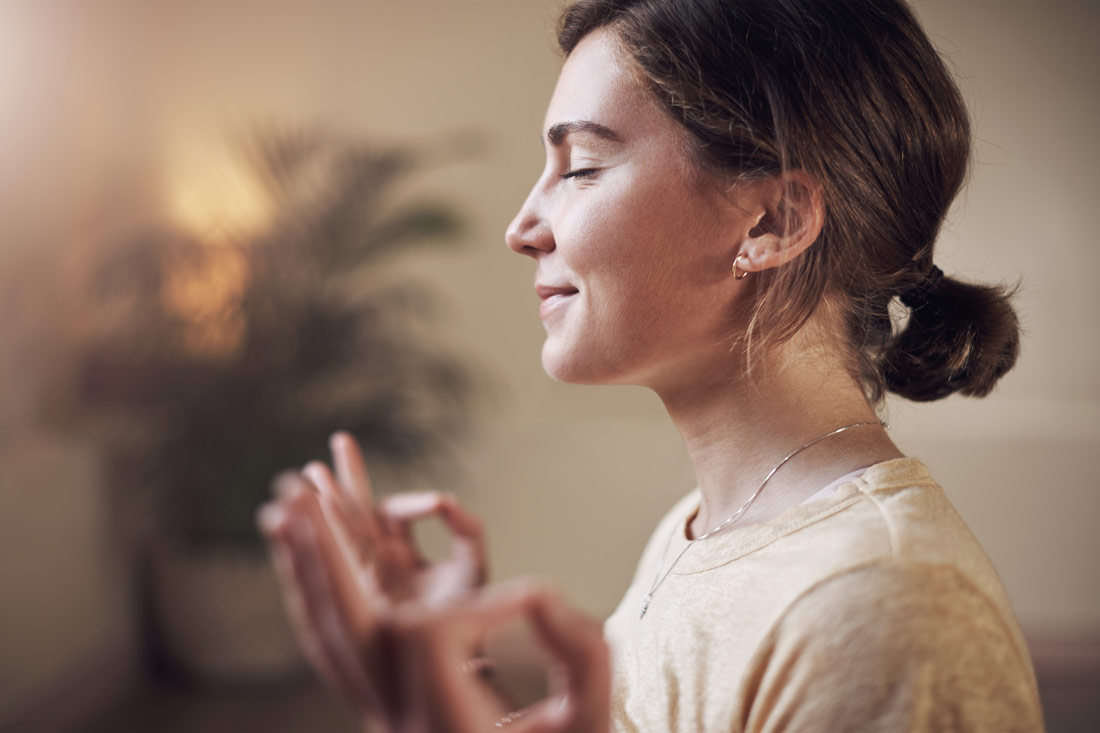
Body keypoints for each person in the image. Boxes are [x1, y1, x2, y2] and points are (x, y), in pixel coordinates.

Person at [258, 0, 1045, 730]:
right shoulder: (702, 529)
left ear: (773, 220)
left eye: (581, 167)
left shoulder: (882, 606)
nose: (523, 227)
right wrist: (454, 675)